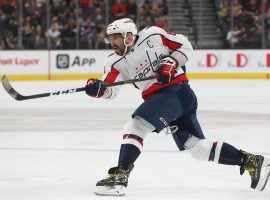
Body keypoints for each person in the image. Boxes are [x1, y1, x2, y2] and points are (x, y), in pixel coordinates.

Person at [84, 18, 270, 196]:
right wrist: (97, 89)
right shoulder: (113, 62)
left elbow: (185, 45)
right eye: (110, 38)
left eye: (116, 37)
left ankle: (119, 178)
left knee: (136, 126)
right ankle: (252, 161)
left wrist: (171, 62)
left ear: (129, 36)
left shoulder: (153, 35)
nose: (112, 42)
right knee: (198, 149)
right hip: (167, 101)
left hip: (177, 92)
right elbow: (109, 91)